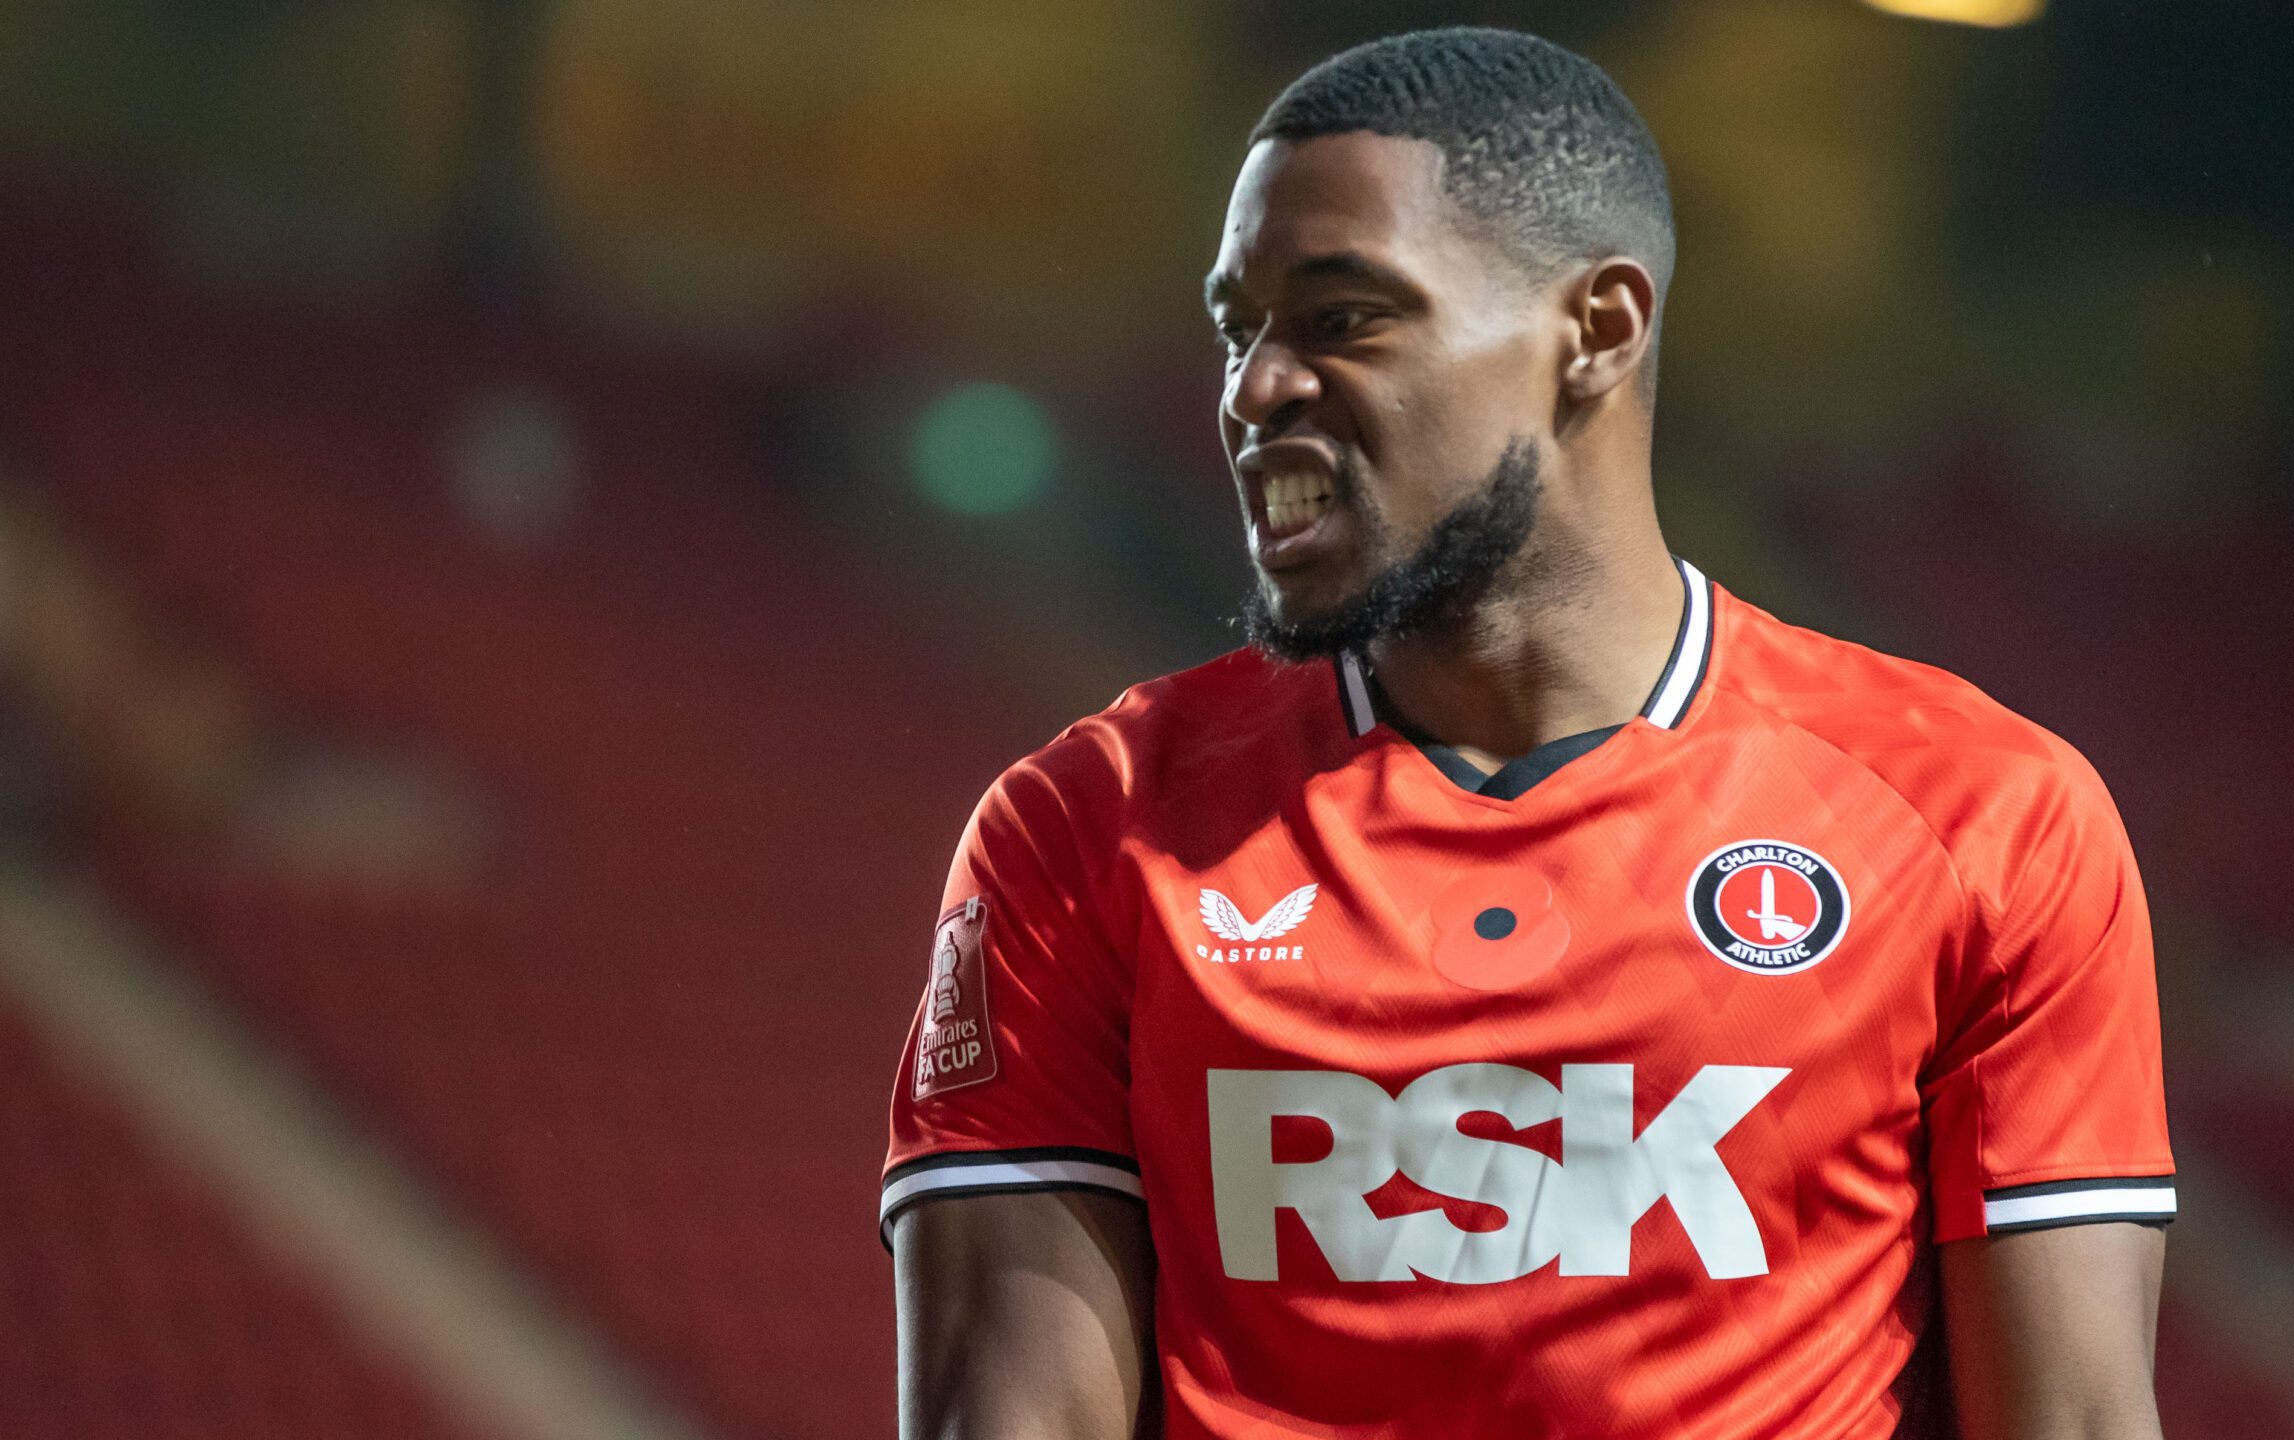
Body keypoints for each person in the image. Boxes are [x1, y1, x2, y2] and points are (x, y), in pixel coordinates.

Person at [884, 26, 2172, 1440]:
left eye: (1342, 318)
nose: (1253, 388)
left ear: (1598, 330)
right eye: (1238, 329)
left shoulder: (1984, 818)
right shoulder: (1089, 830)